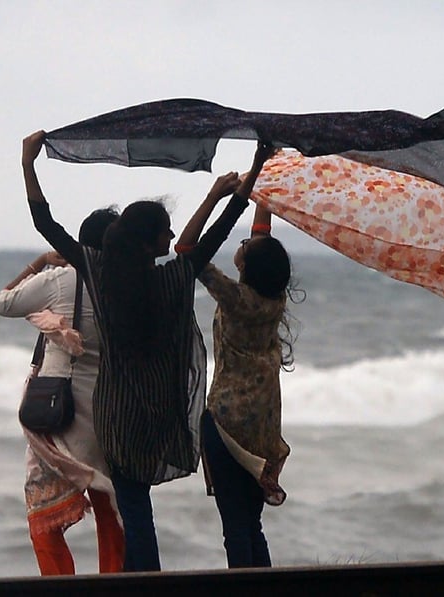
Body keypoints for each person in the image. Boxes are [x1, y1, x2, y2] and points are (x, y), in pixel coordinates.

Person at [20, 130, 276, 571]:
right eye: (164, 231)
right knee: (138, 510)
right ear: (146, 242)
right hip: (156, 413)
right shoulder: (172, 280)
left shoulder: (100, 275)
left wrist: (28, 164)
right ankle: (144, 579)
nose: (172, 234)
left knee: (135, 509)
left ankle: (144, 581)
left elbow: (48, 227)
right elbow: (212, 236)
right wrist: (252, 171)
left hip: (116, 415)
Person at [0, 208, 124, 575]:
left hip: (59, 411)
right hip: (105, 410)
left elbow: (4, 303)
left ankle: (59, 584)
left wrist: (38, 263)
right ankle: (114, 581)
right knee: (108, 504)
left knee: (43, 517)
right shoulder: (126, 283)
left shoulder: (60, 280)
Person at [177, 180, 298, 568]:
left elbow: (185, 249)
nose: (242, 243)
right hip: (262, 424)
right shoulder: (273, 299)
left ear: (246, 265)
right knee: (251, 524)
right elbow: (262, 231)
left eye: (245, 247)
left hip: (227, 423)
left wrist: (214, 196)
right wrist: (263, 177)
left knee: (234, 527)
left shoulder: (235, 296)